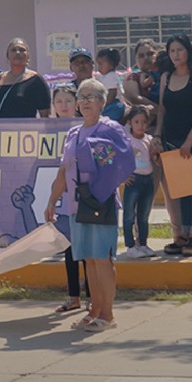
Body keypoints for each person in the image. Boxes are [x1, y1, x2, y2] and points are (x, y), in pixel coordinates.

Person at [46, 81, 124, 331]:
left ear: (102, 102)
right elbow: (62, 172)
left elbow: (121, 163)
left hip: (100, 203)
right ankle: (95, 310)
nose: (87, 101)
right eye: (83, 97)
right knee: (88, 259)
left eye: (93, 97)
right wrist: (51, 202)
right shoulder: (73, 133)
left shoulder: (110, 128)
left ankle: (108, 315)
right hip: (76, 205)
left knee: (102, 258)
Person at [155, 35, 192, 257]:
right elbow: (162, 109)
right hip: (170, 140)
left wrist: (190, 140)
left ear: (188, 50)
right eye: (172, 51)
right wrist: (158, 136)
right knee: (179, 189)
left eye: (180, 50)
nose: (176, 55)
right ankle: (181, 236)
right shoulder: (166, 78)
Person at [119, 106, 158, 259]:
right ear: (130, 123)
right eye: (136, 122)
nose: (140, 125)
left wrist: (156, 155)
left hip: (148, 179)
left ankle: (142, 243)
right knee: (129, 214)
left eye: (144, 122)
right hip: (133, 179)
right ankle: (130, 245)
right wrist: (122, 177)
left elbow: (153, 159)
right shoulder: (127, 140)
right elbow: (119, 159)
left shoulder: (149, 139)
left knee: (143, 214)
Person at [0, 40, 50, 119]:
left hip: (25, 130)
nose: (17, 52)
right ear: (7, 55)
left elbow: (45, 117)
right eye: (13, 50)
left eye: (22, 50)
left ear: (27, 56)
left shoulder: (36, 80)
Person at [122, 41, 162, 113]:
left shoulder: (167, 74)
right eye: (141, 56)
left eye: (150, 54)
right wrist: (161, 111)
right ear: (136, 60)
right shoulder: (133, 77)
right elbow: (134, 97)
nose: (146, 58)